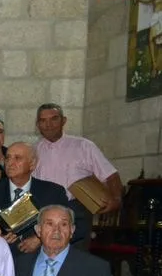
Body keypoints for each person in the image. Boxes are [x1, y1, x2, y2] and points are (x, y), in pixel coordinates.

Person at [32, 103, 123, 246]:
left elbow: (110, 175)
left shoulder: (83, 146)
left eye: (54, 119)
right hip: (45, 212)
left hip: (76, 211)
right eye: (43, 120)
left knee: (76, 258)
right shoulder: (33, 151)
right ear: (38, 124)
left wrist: (116, 199)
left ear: (64, 120)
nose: (48, 124)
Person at [0, 142, 69, 254]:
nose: (10, 163)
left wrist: (40, 239)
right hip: (1, 258)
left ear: (32, 164)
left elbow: (70, 227)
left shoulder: (53, 192)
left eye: (17, 158)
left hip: (39, 258)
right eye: (7, 158)